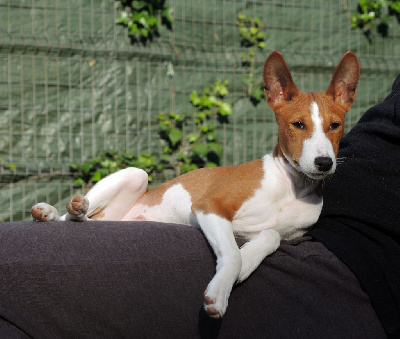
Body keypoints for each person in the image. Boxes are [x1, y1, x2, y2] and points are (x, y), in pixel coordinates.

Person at [0, 75, 399, 338]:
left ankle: (71, 221)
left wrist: (264, 244)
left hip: (146, 235)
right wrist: (230, 264)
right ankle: (72, 216)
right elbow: (208, 208)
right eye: (300, 126)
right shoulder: (264, 177)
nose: (321, 147)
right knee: (136, 176)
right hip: (139, 209)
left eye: (332, 126)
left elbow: (267, 231)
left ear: (347, 103)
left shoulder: (312, 209)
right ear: (276, 98)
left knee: (272, 237)